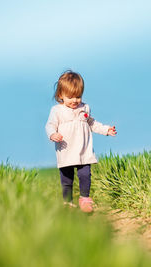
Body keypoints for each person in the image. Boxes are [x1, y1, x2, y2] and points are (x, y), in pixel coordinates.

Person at [45, 70, 117, 213]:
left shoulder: (84, 108)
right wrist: (52, 134)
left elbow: (91, 123)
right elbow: (50, 125)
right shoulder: (57, 111)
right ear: (60, 96)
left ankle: (85, 199)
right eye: (70, 97)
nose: (75, 100)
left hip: (84, 150)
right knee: (67, 179)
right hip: (66, 150)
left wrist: (106, 130)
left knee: (85, 175)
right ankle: (67, 202)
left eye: (78, 96)